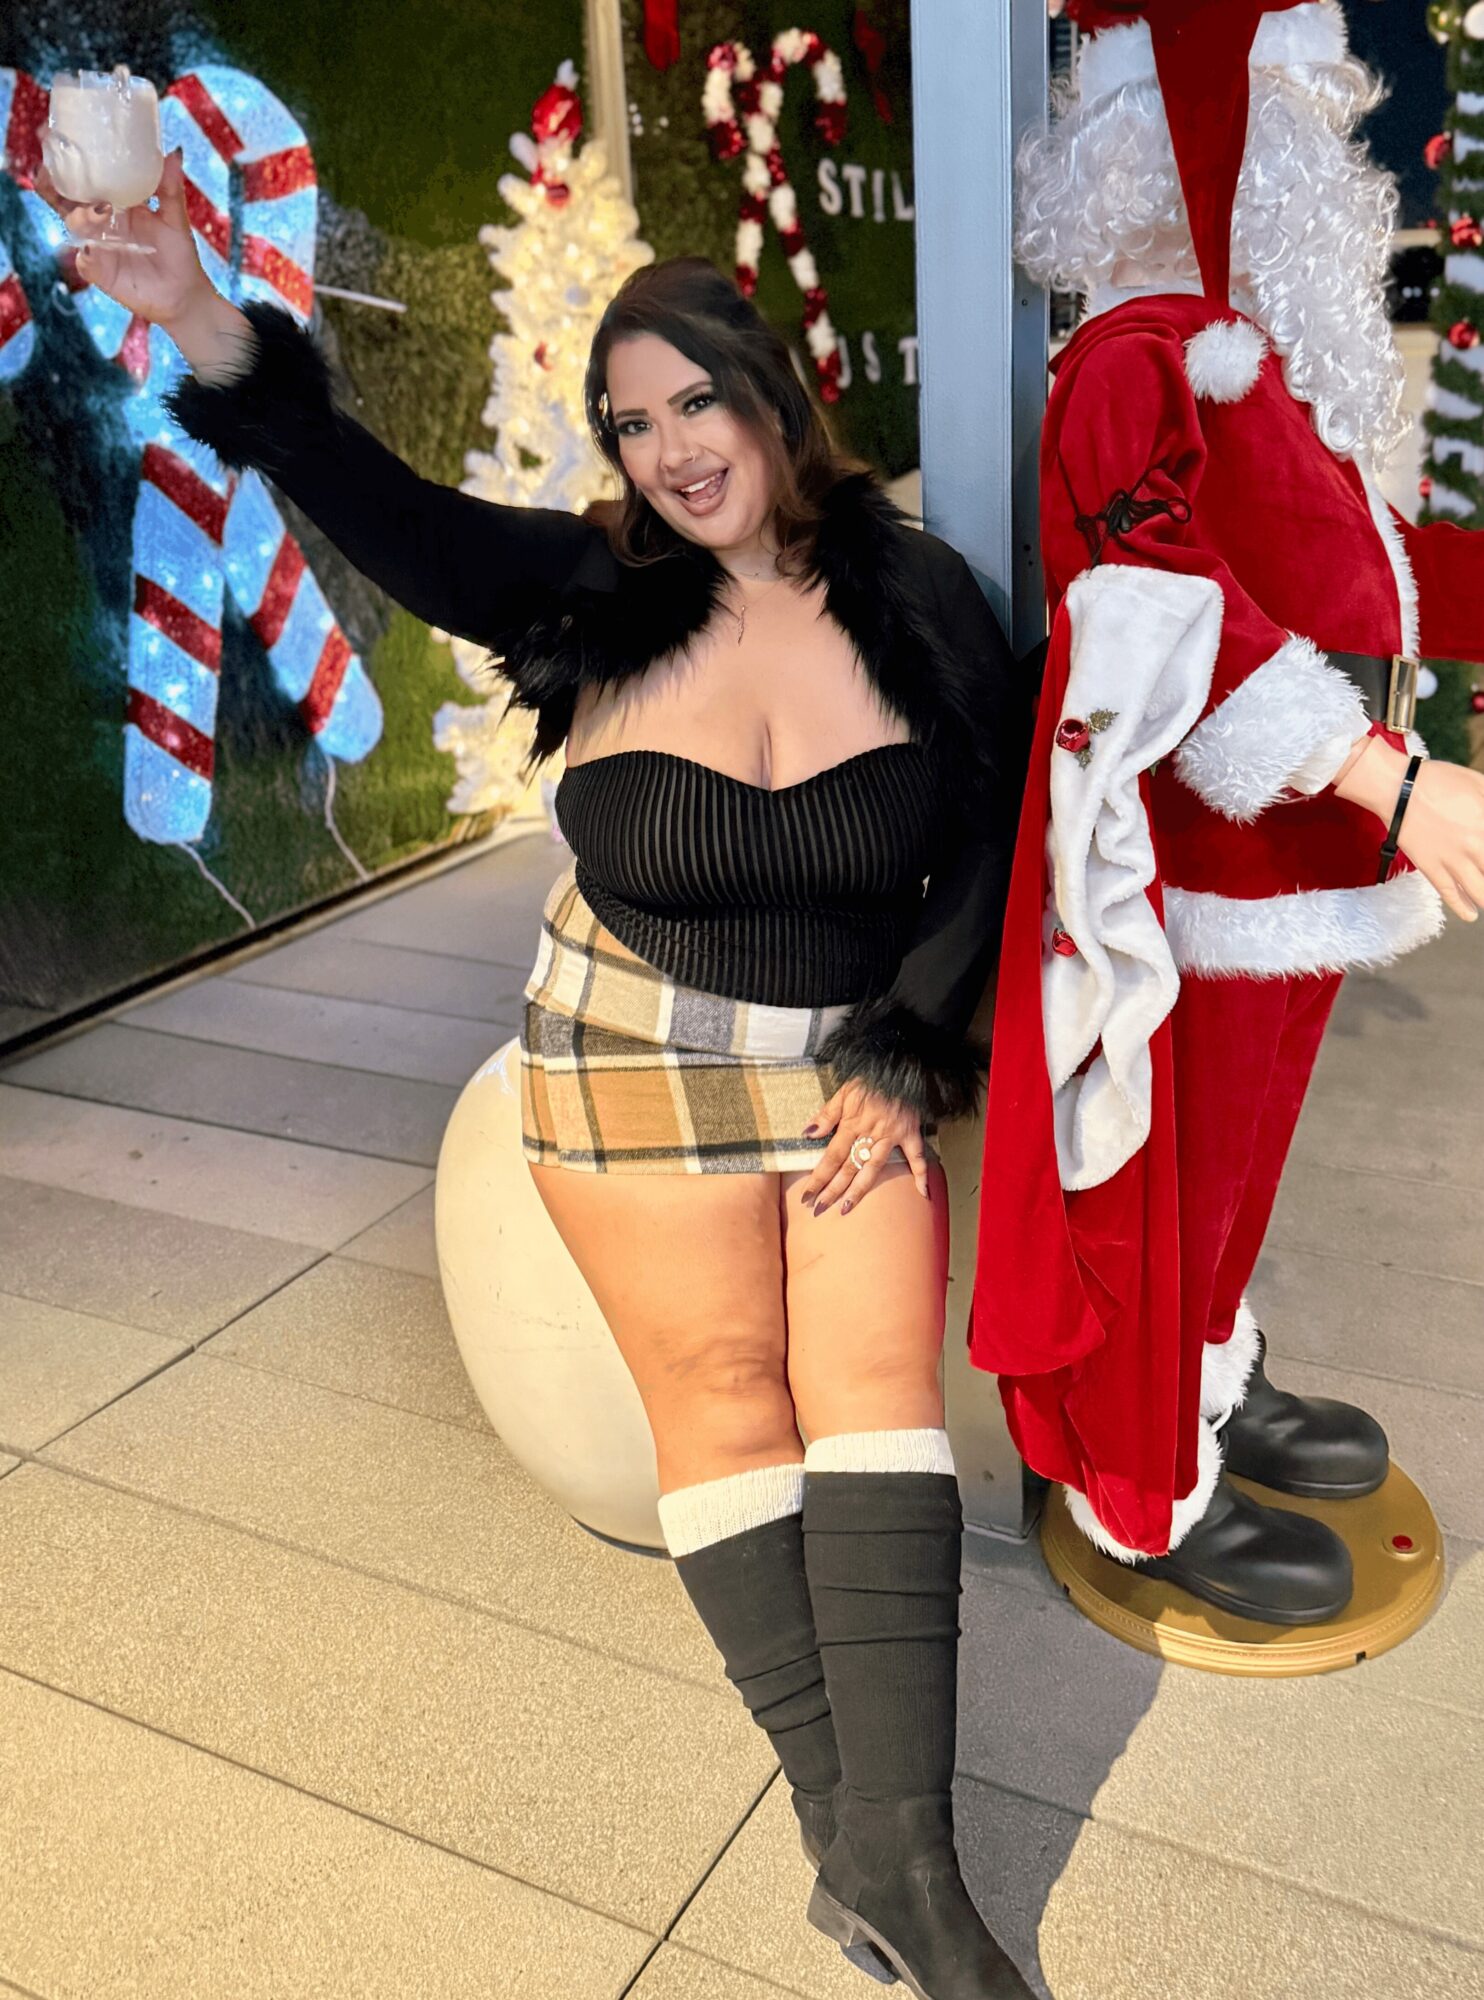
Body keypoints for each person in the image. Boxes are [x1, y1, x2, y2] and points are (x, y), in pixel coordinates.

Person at [37, 153, 1034, 1997]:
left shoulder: (922, 596)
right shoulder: (591, 589)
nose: (671, 452)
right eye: (630, 423)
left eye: (696, 402)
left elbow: (992, 831)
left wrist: (910, 1044)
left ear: (772, 394)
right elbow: (382, 503)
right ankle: (878, 1848)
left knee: (880, 1411)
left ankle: (891, 1853)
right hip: (625, 1049)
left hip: (846, 1060)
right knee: (726, 1408)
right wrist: (196, 316)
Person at [972, 0, 1484, 1621]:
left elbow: (1355, 578)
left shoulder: (1261, 369)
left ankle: (1211, 1370)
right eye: (1298, 133)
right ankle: (1139, 1485)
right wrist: (1392, 778)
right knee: (1162, 1188)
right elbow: (1164, 613)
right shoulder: (1137, 360)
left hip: (1300, 871)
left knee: (1235, 1183)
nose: (1336, 169)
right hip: (1200, 878)